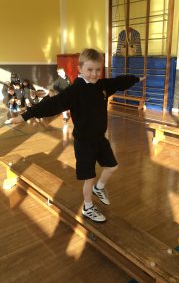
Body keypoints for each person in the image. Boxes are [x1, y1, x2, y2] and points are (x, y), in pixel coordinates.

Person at [5, 48, 145, 223]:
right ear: (80, 69)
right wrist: (25, 115)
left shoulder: (101, 86)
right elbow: (51, 104)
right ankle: (88, 207)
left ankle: (99, 188)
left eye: (98, 70)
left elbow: (118, 82)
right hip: (84, 142)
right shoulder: (74, 91)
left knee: (112, 167)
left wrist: (136, 79)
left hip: (100, 139)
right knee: (89, 177)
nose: (94, 74)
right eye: (90, 70)